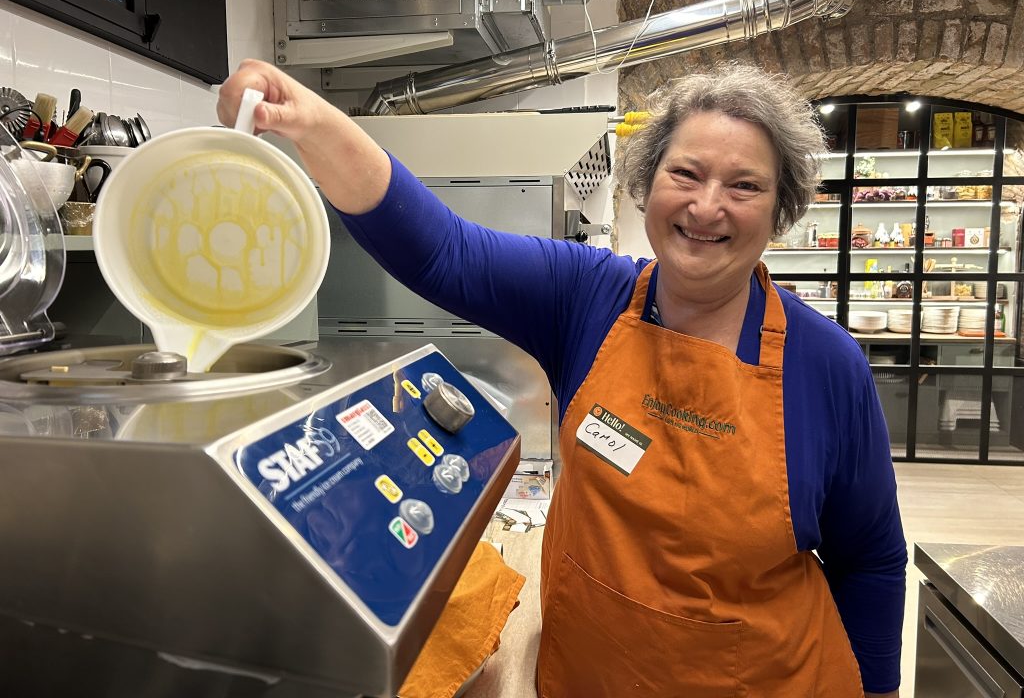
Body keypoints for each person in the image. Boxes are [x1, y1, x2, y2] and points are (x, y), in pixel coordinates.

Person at [218, 59, 907, 697]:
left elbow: (871, 561)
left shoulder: (826, 365)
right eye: (686, 174)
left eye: (744, 185)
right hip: (589, 679)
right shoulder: (587, 299)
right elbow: (440, 251)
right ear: (648, 183)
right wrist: (308, 119)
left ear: (780, 207)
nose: (706, 207)